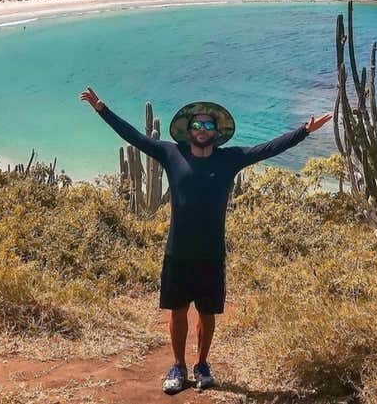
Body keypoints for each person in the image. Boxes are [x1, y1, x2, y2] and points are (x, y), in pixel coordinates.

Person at [80, 87, 331, 395]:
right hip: (178, 253)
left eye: (208, 125)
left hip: (212, 254)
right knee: (177, 312)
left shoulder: (230, 159)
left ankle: (201, 365)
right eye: (197, 125)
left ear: (217, 131)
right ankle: (177, 366)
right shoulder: (172, 153)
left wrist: (304, 130)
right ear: (189, 130)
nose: (202, 130)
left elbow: (268, 149)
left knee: (207, 314)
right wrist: (102, 109)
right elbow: (135, 137)